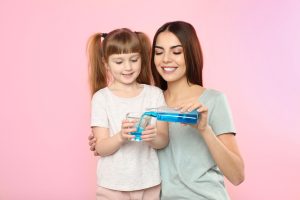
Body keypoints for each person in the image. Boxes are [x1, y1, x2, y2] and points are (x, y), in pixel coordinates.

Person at [89, 21, 245, 200]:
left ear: (191, 54)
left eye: (176, 52)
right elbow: (111, 142)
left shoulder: (213, 100)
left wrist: (205, 129)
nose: (166, 59)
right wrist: (108, 138)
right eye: (159, 52)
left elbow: (237, 176)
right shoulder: (150, 101)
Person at [87, 28, 169, 200]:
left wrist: (151, 137)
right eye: (119, 62)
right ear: (105, 62)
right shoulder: (101, 98)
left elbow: (163, 140)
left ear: (141, 58)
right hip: (111, 186)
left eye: (134, 59)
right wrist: (121, 137)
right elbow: (100, 147)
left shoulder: (154, 94)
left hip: (150, 183)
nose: (128, 67)